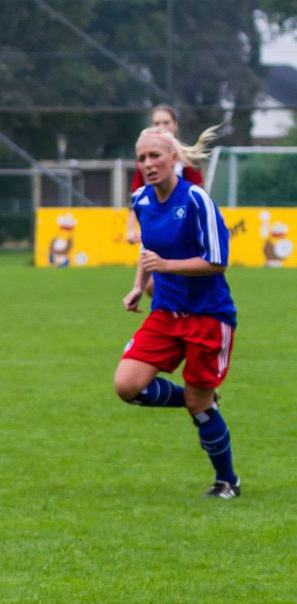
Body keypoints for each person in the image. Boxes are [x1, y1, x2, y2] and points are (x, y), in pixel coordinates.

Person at [114, 126, 240, 499]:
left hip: (209, 316)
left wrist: (166, 267)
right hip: (166, 313)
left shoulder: (197, 199)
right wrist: (140, 284)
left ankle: (227, 481)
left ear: (174, 159)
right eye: (142, 158)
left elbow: (217, 262)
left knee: (199, 409)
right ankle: (197, 396)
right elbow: (149, 251)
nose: (148, 164)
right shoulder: (141, 199)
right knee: (127, 386)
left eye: (155, 156)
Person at [125, 105, 206, 244]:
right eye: (157, 123)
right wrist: (131, 229)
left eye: (166, 123)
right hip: (155, 224)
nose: (161, 127)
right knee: (148, 262)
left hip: (182, 225)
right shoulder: (146, 160)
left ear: (175, 125)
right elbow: (136, 198)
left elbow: (198, 196)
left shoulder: (186, 158)